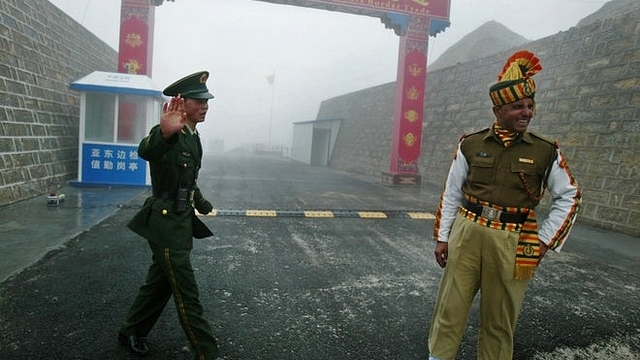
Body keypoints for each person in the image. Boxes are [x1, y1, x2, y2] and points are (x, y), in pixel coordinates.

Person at [427, 51, 582, 360]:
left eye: (529, 106)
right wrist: (443, 236)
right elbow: (452, 191)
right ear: (497, 110)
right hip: (467, 232)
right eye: (517, 107)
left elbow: (570, 196)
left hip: (514, 240)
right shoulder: (471, 143)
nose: (526, 113)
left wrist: (542, 242)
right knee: (450, 308)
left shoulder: (544, 151)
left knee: (500, 320)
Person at [118, 71, 223, 359]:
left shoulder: (193, 136)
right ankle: (207, 354)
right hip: (165, 224)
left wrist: (201, 202)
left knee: (160, 283)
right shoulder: (170, 132)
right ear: (182, 102)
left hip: (180, 220)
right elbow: (147, 150)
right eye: (199, 101)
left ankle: (131, 330)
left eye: (207, 100)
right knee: (187, 295)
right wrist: (164, 133)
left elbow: (186, 178)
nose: (205, 106)